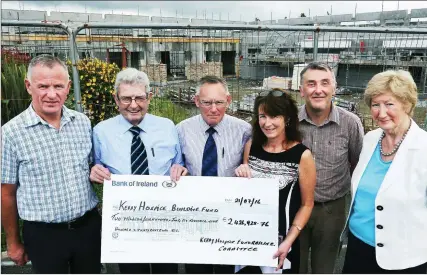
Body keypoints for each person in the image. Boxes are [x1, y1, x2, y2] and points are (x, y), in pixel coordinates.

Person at [1, 54, 101, 273]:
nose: (51, 94)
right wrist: (13, 242)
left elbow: (92, 165)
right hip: (43, 235)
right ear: (29, 86)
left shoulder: (82, 123)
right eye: (43, 86)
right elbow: (7, 192)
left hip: (88, 228)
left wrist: (96, 171)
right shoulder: (11, 133)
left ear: (68, 87)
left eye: (58, 86)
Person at [89, 68, 186, 274]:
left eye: (139, 98)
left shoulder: (167, 127)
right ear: (116, 99)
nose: (133, 105)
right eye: (126, 99)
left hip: (164, 219)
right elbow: (97, 167)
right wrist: (95, 172)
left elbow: (179, 165)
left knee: (166, 270)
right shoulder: (101, 132)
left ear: (149, 97)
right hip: (126, 223)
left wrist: (180, 169)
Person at [341, 70, 427, 274]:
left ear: (406, 104)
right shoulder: (370, 139)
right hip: (357, 247)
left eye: (389, 104)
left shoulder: (424, 148)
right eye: (375, 105)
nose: (381, 112)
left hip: (402, 259)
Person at [170, 75, 252, 274]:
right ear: (196, 101)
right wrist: (179, 168)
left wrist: (246, 169)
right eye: (206, 103)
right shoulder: (181, 130)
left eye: (219, 102)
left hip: (230, 214)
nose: (213, 109)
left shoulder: (244, 130)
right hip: (195, 214)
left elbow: (250, 164)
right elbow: (178, 164)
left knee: (226, 267)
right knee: (197, 267)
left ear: (229, 101)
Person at [234, 89, 316, 274]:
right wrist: (241, 172)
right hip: (247, 238)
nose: (267, 123)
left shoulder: (302, 155)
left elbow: (307, 204)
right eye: (262, 116)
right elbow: (244, 191)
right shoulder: (251, 146)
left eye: (274, 116)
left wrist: (289, 240)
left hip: (281, 244)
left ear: (287, 118)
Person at [297, 62, 364, 274]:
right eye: (311, 84)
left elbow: (357, 164)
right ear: (301, 90)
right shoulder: (288, 121)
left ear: (334, 89)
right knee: (293, 266)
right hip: (294, 208)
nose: (318, 90)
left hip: (332, 210)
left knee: (324, 268)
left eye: (325, 83)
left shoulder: (350, 123)